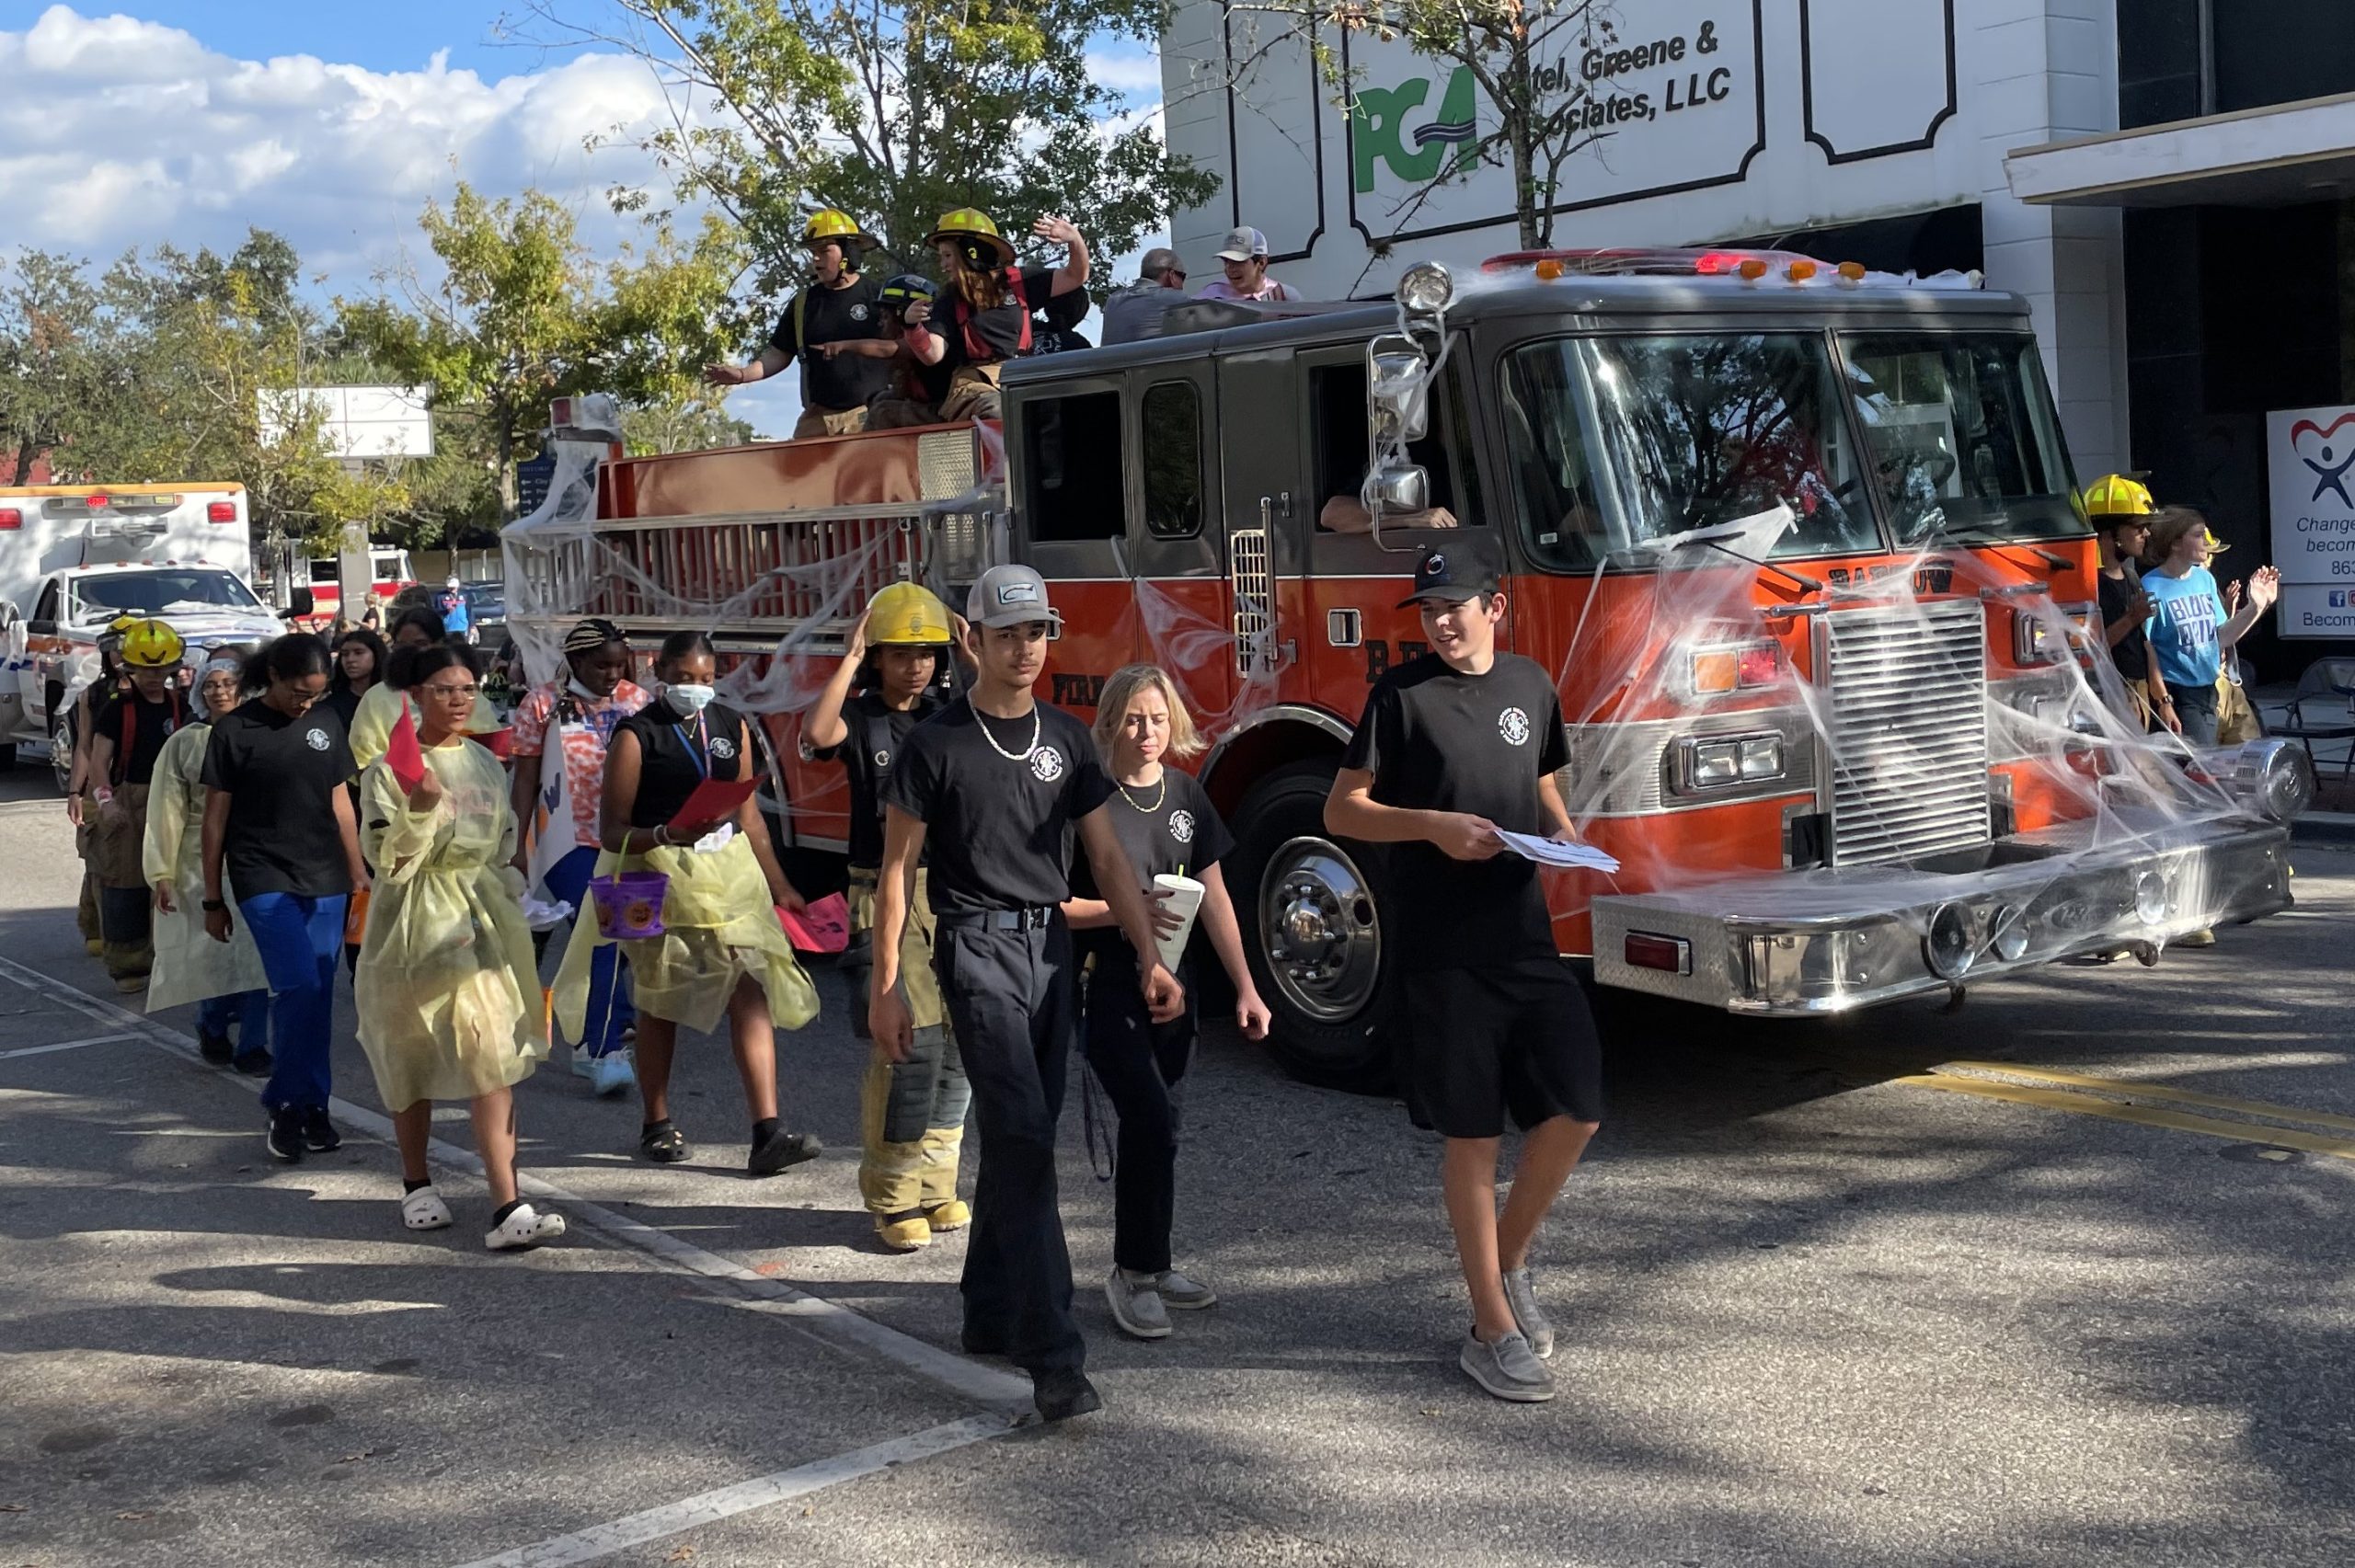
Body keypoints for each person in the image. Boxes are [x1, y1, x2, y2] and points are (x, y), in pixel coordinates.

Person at [868, 564, 1183, 1424]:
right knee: (1024, 1135)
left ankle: (986, 1309)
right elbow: (897, 874)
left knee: (1020, 1139)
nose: (1025, 649)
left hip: (1049, 948)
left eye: (1037, 631)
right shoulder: (936, 744)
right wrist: (887, 984)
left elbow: (1110, 858)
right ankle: (1055, 1356)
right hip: (972, 949)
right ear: (972, 640)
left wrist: (1150, 955)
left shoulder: (1070, 738)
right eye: (1006, 634)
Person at [1323, 544, 1603, 1403]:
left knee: (1578, 1107)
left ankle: (1508, 1261)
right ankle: (1490, 1327)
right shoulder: (1401, 698)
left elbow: (1542, 775)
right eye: (1429, 610)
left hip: (1523, 937)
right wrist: (1434, 827)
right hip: (1441, 952)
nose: (1442, 622)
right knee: (1473, 1135)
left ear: (1495, 605)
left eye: (1456, 605)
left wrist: (1562, 831)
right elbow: (1341, 809)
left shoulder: (1529, 682)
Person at [557, 631, 821, 1173]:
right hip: (656, 875)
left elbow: (750, 817)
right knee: (660, 1001)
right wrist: (665, 834)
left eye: (705, 679)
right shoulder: (638, 734)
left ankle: (766, 1130)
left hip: (727, 876)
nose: (696, 689)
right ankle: (656, 1122)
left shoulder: (731, 726)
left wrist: (780, 885)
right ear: (661, 674)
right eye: (684, 679)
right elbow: (612, 831)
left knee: (749, 989)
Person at [1062, 664, 1270, 1340]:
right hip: (1113, 980)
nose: (1146, 731)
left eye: (1156, 718)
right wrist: (1125, 910)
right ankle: (1129, 1270)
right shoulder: (1088, 799)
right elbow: (1058, 905)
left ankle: (1156, 1262)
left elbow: (1215, 898)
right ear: (1110, 723)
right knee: (1147, 1115)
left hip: (1180, 986)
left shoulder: (1186, 794)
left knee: (1167, 1128)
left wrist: (1246, 985)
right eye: (1132, 718)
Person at [356, 642, 568, 1251]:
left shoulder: (481, 760)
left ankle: (508, 1201)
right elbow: (388, 863)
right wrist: (419, 807)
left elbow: (500, 837)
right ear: (414, 695)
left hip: (483, 921)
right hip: (415, 926)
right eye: (445, 689)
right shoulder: (387, 770)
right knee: (412, 1051)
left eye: (468, 689)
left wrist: (512, 890)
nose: (458, 699)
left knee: (491, 1049)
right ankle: (416, 1181)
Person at [806, 582, 971, 1251]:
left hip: (951, 889)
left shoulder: (948, 713)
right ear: (878, 657)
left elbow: (1009, 715)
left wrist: (972, 654)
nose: (917, 666)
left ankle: (938, 1187)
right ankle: (893, 1197)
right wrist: (847, 659)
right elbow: (818, 734)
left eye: (926, 653)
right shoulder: (864, 718)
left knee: (959, 1043)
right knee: (910, 1045)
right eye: (901, 653)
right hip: (882, 888)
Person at [202, 634, 369, 1164]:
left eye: (316, 694)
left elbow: (340, 798)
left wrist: (358, 867)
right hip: (261, 875)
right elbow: (215, 819)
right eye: (298, 692)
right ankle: (283, 1104)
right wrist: (212, 897)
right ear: (272, 675)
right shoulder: (234, 730)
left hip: (325, 875)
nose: (306, 703)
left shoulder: (326, 723)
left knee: (319, 993)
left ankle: (311, 1104)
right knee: (296, 985)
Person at [509, 618, 651, 1095]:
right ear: (574, 662)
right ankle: (598, 1048)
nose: (612, 674)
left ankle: (613, 1018)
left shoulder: (638, 701)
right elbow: (525, 780)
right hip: (567, 840)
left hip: (626, 837)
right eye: (600, 665)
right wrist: (517, 847)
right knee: (601, 936)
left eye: (618, 664)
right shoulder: (542, 704)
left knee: (624, 935)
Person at [145, 652, 271, 1070]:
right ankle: (212, 1024)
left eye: (228, 684)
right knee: (214, 954)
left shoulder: (259, 734)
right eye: (211, 685)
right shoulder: (185, 742)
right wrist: (162, 871)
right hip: (200, 862)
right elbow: (167, 808)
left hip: (255, 857)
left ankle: (254, 1045)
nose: (220, 691)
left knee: (258, 956)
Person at [704, 210, 893, 438]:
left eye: (824, 251)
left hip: (870, 417)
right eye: (813, 252)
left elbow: (902, 349)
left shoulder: (878, 298)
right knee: (796, 471)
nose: (815, 259)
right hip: (818, 419)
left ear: (849, 253)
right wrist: (742, 375)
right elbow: (778, 354)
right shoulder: (804, 304)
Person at [902, 209, 1089, 422]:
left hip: (1022, 376)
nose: (943, 266)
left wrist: (1074, 239)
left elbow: (1076, 276)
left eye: (947, 256)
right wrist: (911, 327)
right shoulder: (949, 300)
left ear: (971, 253)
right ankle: (1002, 456)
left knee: (1059, 411)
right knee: (999, 409)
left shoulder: (1019, 282)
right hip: (976, 384)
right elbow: (933, 354)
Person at [85, 619, 190, 993]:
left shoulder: (181, 705)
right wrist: (106, 802)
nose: (153, 675)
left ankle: (173, 955)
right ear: (130, 666)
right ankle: (128, 964)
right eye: (145, 668)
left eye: (160, 668)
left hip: (173, 799)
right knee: (125, 882)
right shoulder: (117, 709)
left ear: (173, 667)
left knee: (175, 880)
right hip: (130, 799)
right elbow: (99, 761)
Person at [2141, 508, 2278, 750]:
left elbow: (2221, 637)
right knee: (2201, 773)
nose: (2207, 541)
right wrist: (2164, 702)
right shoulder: (2151, 585)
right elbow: (2146, 647)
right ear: (2175, 543)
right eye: (2198, 535)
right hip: (2179, 694)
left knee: (2229, 765)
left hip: (2209, 690)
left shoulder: (2204, 580)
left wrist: (2256, 606)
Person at [350, 607, 502, 769]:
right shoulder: (377, 697)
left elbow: (490, 748)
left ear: (440, 644)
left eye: (421, 644)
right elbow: (365, 760)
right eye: (402, 646)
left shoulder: (466, 694)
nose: (410, 652)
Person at [66, 618, 136, 958]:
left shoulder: (165, 695)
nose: (122, 656)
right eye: (115, 650)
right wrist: (76, 792)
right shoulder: (92, 694)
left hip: (141, 787)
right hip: (101, 788)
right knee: (99, 860)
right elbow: (84, 746)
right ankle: (98, 929)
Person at [2085, 475, 2169, 734]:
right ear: (2110, 535)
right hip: (2111, 693)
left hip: (2140, 690)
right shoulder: (2090, 585)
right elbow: (2090, 648)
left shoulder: (2132, 577)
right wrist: (2132, 618)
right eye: (2138, 527)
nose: (2146, 533)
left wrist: (2163, 700)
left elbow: (2145, 643)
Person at [864, 275, 957, 430]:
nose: (881, 323)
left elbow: (885, 349)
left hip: (945, 413)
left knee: (883, 413)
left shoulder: (919, 345)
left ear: (902, 317)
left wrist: (841, 346)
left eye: (886, 317)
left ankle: (870, 454)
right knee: (880, 399)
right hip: (931, 409)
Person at [1100, 247, 1189, 346]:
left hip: (1114, 360)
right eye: (1182, 276)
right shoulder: (1177, 299)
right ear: (1171, 275)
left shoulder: (1113, 301)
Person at [1195, 226, 1304, 303]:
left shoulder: (1283, 296)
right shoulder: (1210, 298)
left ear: (1261, 262)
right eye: (1226, 261)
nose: (1230, 268)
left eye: (1238, 261)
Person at [327, 626, 390, 731]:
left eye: (358, 653)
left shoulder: (393, 698)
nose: (350, 659)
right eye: (345, 654)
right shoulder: (331, 706)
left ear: (376, 654)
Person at [435, 578, 473, 644]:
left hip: (462, 627)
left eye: (454, 587)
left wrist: (472, 625)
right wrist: (446, 611)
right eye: (450, 587)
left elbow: (469, 611)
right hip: (448, 628)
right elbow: (437, 612)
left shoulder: (464, 595)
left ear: (457, 587)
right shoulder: (441, 596)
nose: (452, 589)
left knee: (462, 647)